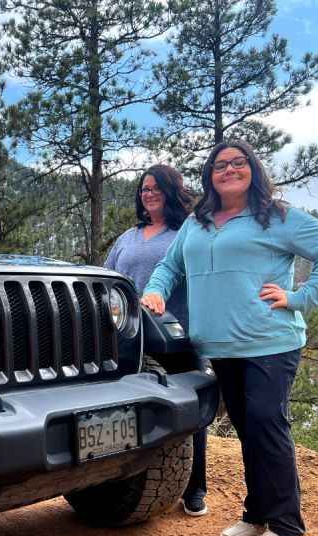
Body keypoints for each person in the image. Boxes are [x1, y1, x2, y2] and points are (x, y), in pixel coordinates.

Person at [140, 140, 318, 536]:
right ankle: (257, 515)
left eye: (239, 162)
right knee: (247, 428)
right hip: (220, 345)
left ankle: (286, 524)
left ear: (253, 169)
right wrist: (154, 290)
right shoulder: (197, 223)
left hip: (270, 342)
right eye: (220, 165)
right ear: (209, 176)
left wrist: (300, 297)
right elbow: (170, 266)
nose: (229, 169)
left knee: (264, 424)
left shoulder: (275, 216)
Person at [104, 164, 209, 517]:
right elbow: (108, 282)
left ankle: (195, 488)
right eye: (144, 189)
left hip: (176, 337)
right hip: (129, 342)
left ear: (171, 192)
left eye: (156, 188)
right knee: (133, 412)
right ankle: (129, 482)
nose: (148, 194)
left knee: (188, 414)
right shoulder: (127, 238)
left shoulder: (186, 234)